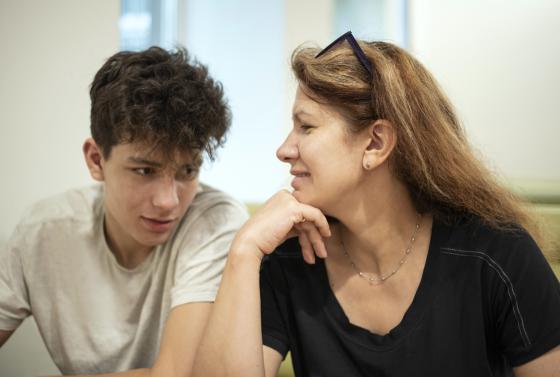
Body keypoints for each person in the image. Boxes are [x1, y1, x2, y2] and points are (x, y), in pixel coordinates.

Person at [193, 32, 560, 377]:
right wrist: (244, 251)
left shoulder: (495, 255)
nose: (284, 150)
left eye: (306, 127)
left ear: (375, 144)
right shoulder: (291, 260)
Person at [0, 46, 248, 376]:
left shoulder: (215, 222)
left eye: (187, 172)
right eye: (145, 171)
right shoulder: (44, 230)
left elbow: (175, 375)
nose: (168, 201)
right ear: (96, 160)